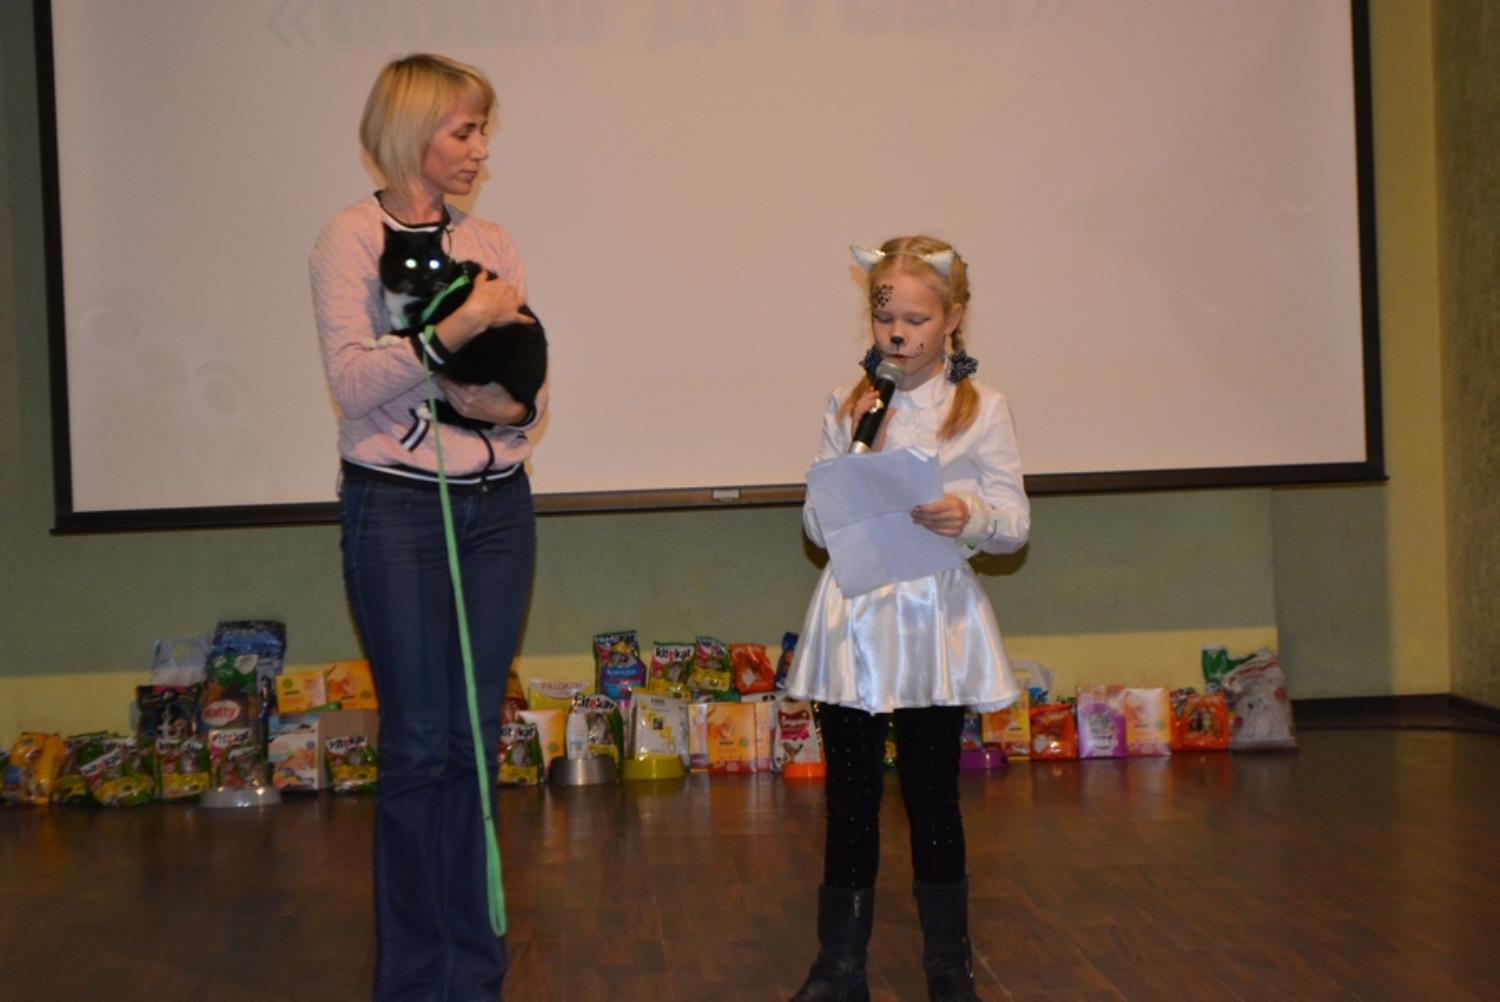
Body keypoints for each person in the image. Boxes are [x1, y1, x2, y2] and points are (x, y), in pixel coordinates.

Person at [309, 53, 543, 1001]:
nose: (480, 149)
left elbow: (527, 383)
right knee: (416, 745)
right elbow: (353, 382)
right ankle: (413, 980)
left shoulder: (491, 238)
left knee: (473, 742)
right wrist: (459, 327)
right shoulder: (350, 237)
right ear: (413, 134)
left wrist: (506, 407)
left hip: (500, 510)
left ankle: (473, 973)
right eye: (464, 130)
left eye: (484, 131)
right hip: (398, 510)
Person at [785, 236, 1030, 1002]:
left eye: (917, 320)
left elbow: (1016, 523)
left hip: (932, 621)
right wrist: (851, 472)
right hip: (856, 615)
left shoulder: (981, 409)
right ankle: (839, 968)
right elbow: (816, 525)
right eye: (885, 317)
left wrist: (969, 516)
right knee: (851, 797)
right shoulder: (849, 403)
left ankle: (948, 965)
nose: (898, 334)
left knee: (931, 795)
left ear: (953, 319)